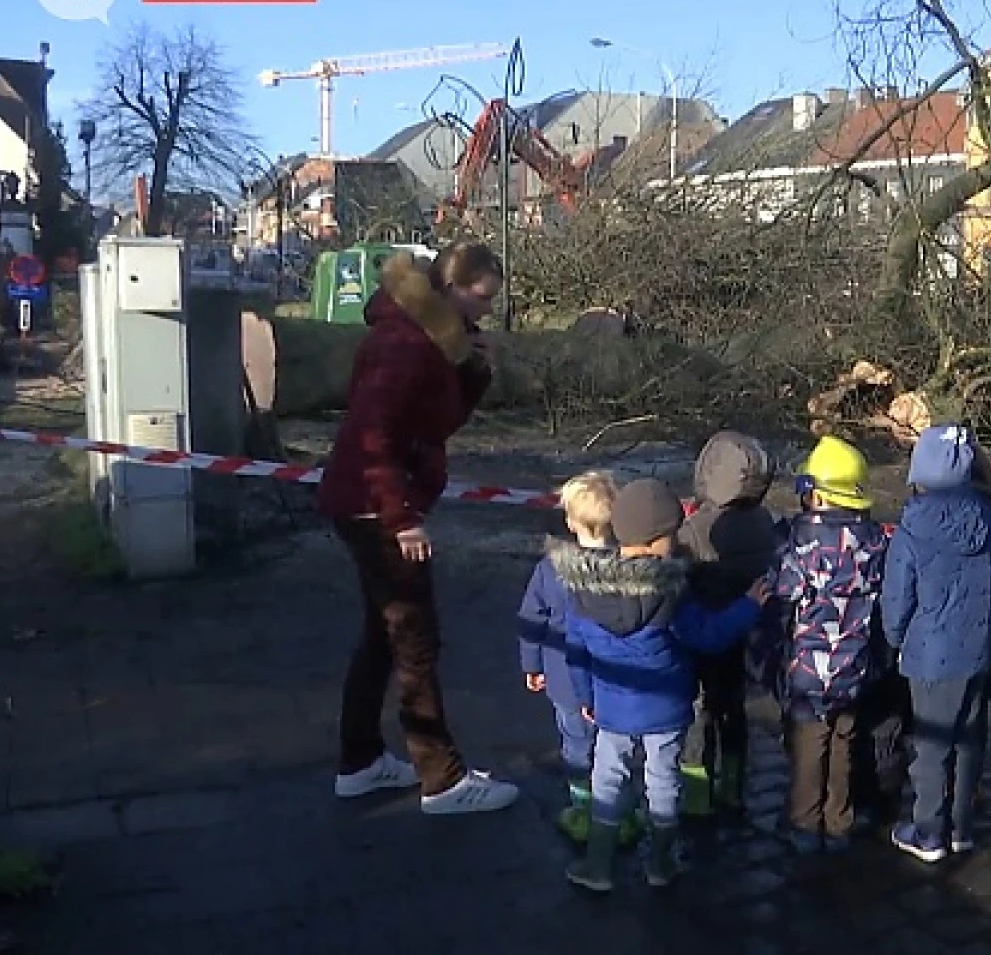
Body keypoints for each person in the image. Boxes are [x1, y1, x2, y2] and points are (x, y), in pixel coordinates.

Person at [316, 243, 521, 815]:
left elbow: (437, 421)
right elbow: (373, 435)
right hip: (375, 508)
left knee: (383, 638)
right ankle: (444, 780)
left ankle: (359, 762)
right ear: (451, 288)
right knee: (415, 642)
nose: (485, 309)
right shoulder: (404, 344)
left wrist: (473, 370)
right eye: (480, 299)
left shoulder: (427, 338)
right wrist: (400, 516)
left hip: (368, 503)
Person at [562, 478, 768, 892]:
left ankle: (598, 868)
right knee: (663, 783)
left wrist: (585, 697)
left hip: (611, 708)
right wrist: (749, 606)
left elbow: (576, 651)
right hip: (667, 708)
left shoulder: (585, 592)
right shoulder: (673, 593)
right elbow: (707, 636)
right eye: (673, 533)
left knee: (607, 782)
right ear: (659, 540)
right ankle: (661, 864)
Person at [881, 424, 991, 862]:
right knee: (969, 740)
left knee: (931, 747)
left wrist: (892, 641)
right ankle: (961, 829)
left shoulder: (912, 528)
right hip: (979, 647)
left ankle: (928, 831)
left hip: (930, 656)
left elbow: (897, 598)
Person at [766, 436, 889, 854]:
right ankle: (840, 819)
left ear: (814, 495)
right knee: (844, 742)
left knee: (809, 746)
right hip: (855, 666)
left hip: (808, 672)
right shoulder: (875, 542)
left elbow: (782, 597)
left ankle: (804, 822)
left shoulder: (800, 546)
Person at [518, 471, 644, 846]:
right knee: (617, 747)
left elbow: (532, 619)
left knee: (576, 744)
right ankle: (619, 811)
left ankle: (584, 810)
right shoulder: (627, 568)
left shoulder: (550, 570)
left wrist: (532, 664)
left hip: (563, 674)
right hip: (615, 679)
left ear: (571, 522)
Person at [676, 431, 781, 818]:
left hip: (700, 637)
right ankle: (733, 789)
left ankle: (696, 798)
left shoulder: (697, 529)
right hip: (743, 636)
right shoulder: (763, 521)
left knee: (699, 718)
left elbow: (676, 574)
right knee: (734, 711)